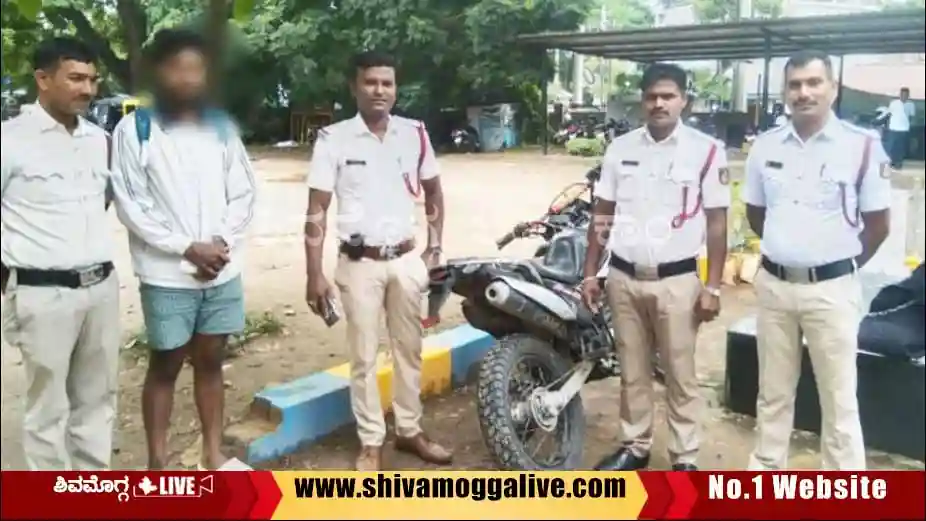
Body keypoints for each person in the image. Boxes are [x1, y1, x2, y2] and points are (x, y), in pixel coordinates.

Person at [109, 28, 257, 470]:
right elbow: (130, 204)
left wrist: (220, 244)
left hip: (222, 270)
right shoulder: (134, 130)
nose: (188, 79)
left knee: (211, 361)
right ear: (159, 74)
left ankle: (212, 454)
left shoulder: (222, 129)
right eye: (178, 69)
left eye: (197, 69)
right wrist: (186, 248)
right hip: (167, 274)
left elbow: (244, 194)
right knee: (166, 365)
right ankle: (158, 463)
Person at [743, 50, 892, 470]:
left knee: (839, 399)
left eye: (814, 83)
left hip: (832, 291)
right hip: (774, 287)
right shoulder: (765, 147)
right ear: (785, 92)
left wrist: (833, 264)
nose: (804, 92)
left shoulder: (862, 147)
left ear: (833, 89)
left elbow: (878, 224)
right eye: (795, 84)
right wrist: (788, 252)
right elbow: (757, 214)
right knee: (772, 394)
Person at [304, 50, 451, 471]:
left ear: (395, 88)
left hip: (405, 260)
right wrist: (314, 273)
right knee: (364, 357)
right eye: (370, 82)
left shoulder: (415, 133)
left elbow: (435, 191)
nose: (379, 90)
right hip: (358, 263)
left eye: (387, 83)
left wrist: (434, 245)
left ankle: (409, 430)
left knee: (410, 350)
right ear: (355, 87)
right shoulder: (333, 140)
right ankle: (371, 441)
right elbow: (317, 209)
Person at [581, 63, 730, 471]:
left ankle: (684, 458)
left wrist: (713, 287)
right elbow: (603, 212)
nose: (659, 103)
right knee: (632, 369)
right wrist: (591, 271)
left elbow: (717, 223)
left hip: (678, 281)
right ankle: (636, 446)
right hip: (624, 278)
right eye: (652, 96)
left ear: (684, 100)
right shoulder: (621, 149)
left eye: (668, 95)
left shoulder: (706, 150)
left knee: (680, 374)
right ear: (642, 100)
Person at [0, 37, 121, 470]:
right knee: (47, 411)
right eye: (75, 78)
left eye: (92, 79)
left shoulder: (100, 140)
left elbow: (100, 202)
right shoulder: (10, 141)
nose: (87, 89)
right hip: (42, 294)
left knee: (97, 403)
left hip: (101, 290)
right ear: (43, 79)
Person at [877, 87, 915, 170]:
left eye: (906, 94)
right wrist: (879, 121)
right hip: (894, 128)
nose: (904, 96)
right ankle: (890, 162)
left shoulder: (911, 105)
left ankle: (898, 164)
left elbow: (911, 117)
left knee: (900, 148)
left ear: (908, 95)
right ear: (900, 94)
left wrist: (908, 124)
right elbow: (888, 114)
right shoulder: (894, 103)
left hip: (904, 129)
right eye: (902, 94)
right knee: (891, 147)